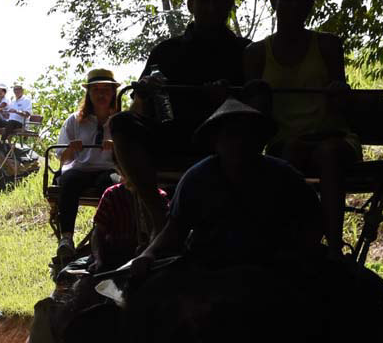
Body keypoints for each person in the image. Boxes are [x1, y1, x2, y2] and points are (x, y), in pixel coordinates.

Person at [110, 0, 252, 235]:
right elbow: (137, 109)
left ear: (230, 4)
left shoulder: (246, 52)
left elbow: (260, 108)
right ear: (190, 4)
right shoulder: (166, 51)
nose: (211, 7)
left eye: (218, 0)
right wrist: (143, 93)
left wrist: (229, 101)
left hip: (226, 142)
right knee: (121, 123)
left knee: (236, 133)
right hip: (172, 138)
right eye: (203, 0)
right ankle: (160, 219)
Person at [132, 98, 322, 275]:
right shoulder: (197, 178)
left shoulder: (284, 176)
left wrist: (297, 254)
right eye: (231, 135)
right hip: (210, 270)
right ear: (215, 142)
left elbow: (313, 219)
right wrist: (148, 254)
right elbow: (174, 230)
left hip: (270, 270)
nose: (239, 143)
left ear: (259, 141)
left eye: (247, 134)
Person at [244, 0, 359, 253]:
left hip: (331, 136)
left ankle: (333, 246)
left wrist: (339, 93)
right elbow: (254, 112)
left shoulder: (328, 46)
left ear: (310, 6)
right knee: (291, 153)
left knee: (328, 153)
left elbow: (340, 106)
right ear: (274, 3)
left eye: (301, 0)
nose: (294, 6)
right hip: (284, 140)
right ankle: (292, 242)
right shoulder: (256, 53)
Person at [54, 69, 121, 255]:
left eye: (106, 90)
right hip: (81, 169)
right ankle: (66, 238)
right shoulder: (75, 121)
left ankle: (104, 236)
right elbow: (62, 157)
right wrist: (71, 149)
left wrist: (116, 148)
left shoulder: (120, 121)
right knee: (69, 180)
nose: (101, 95)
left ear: (113, 93)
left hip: (107, 170)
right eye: (96, 90)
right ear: (89, 94)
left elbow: (129, 156)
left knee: (108, 184)